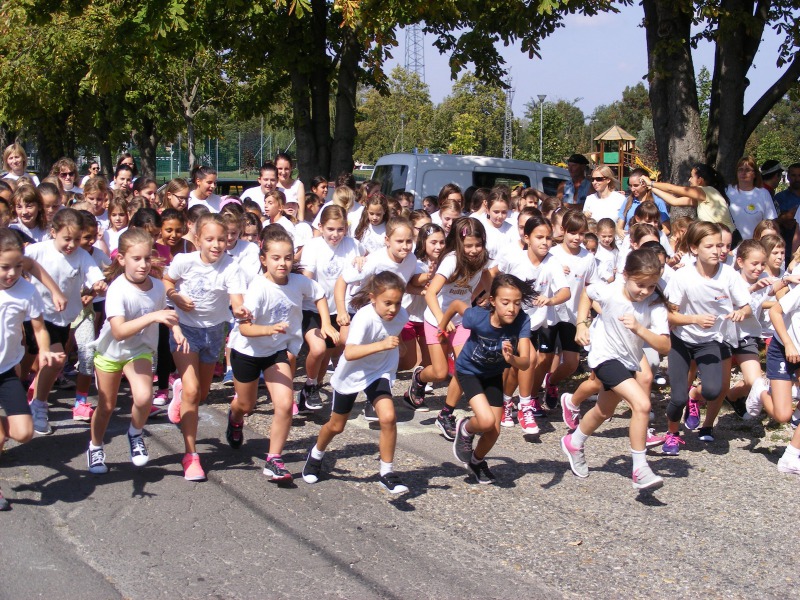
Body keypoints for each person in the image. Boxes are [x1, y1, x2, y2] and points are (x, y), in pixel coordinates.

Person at [227, 226, 336, 482]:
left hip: (276, 352)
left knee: (285, 404)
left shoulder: (299, 282)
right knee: (246, 404)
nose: (283, 263)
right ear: (264, 259)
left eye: (288, 257)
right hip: (247, 352)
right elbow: (245, 328)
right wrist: (269, 329)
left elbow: (319, 295)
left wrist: (327, 323)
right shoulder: (258, 289)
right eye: (276, 258)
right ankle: (235, 417)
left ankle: (274, 459)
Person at [563, 248, 671, 491]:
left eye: (651, 286)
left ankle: (574, 441)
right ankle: (640, 469)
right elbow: (587, 294)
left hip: (629, 360)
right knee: (641, 405)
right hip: (604, 356)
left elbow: (665, 345)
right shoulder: (610, 291)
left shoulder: (654, 305)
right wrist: (582, 324)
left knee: (603, 411)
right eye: (640, 284)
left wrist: (640, 330)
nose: (645, 291)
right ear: (625, 275)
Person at [87, 229, 185, 474]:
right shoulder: (117, 290)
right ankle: (95, 446)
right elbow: (119, 331)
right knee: (106, 406)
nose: (143, 265)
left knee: (144, 397)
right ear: (121, 259)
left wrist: (176, 330)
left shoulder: (157, 288)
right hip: (110, 352)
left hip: (139, 350)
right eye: (136, 259)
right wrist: (153, 316)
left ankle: (135, 433)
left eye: (147, 258)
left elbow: (165, 313)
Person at [302, 271, 410, 494]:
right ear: (372, 298)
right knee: (336, 426)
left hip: (379, 371)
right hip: (352, 373)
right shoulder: (363, 317)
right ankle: (316, 454)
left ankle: (386, 472)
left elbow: (395, 336)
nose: (393, 309)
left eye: (397, 303)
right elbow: (349, 353)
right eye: (387, 303)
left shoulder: (401, 316)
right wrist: (383, 345)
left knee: (388, 417)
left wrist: (400, 347)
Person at [163, 213, 249, 481]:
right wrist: (176, 296)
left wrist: (242, 311)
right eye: (210, 239)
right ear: (197, 239)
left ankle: (179, 391)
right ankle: (191, 455)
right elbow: (167, 281)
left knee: (200, 396)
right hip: (185, 331)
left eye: (222, 239)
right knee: (192, 391)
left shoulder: (232, 267)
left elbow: (237, 301)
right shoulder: (184, 261)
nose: (216, 245)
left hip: (214, 333)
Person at [662, 221, 751, 455]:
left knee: (713, 390)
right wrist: (694, 319)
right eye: (710, 246)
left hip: (710, 341)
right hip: (681, 341)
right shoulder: (683, 277)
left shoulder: (729, 275)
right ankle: (672, 434)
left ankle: (695, 399)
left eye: (720, 246)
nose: (717, 251)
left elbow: (746, 306)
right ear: (694, 248)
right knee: (677, 397)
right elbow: (669, 315)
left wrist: (741, 312)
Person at [23, 208, 107, 435]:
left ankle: (35, 403)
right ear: (53, 232)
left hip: (62, 318)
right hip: (35, 315)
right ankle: (36, 403)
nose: (71, 245)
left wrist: (99, 284)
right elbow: (18, 267)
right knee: (53, 359)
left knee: (51, 362)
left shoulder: (82, 256)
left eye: (77, 239)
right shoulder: (37, 251)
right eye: (66, 239)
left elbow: (95, 276)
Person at [407, 217, 492, 439]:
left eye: (478, 244)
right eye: (469, 245)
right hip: (436, 318)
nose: (474, 250)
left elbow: (485, 277)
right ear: (459, 242)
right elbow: (432, 293)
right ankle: (419, 378)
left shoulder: (482, 259)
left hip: (461, 320)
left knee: (465, 366)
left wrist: (484, 296)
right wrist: (441, 320)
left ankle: (446, 414)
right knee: (440, 372)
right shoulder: (451, 261)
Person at [445, 274, 533, 483]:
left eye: (517, 303)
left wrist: (512, 359)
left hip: (493, 374)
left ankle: (476, 461)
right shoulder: (478, 317)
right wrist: (442, 324)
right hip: (469, 371)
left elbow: (526, 363)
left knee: (494, 431)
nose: (512, 308)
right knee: (484, 421)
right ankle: (465, 427)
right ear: (493, 301)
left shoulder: (522, 320)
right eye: (505, 302)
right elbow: (457, 304)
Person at [0, 229, 63, 509]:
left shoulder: (26, 291)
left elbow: (39, 328)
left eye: (17, 266)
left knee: (24, 433)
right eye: (4, 267)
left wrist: (46, 349)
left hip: (6, 370)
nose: (12, 273)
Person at [492, 215, 570, 432]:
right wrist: (489, 300)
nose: (545, 242)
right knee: (524, 362)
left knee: (520, 366)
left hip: (533, 323)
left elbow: (565, 291)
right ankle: (520, 406)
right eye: (539, 237)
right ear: (526, 238)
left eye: (548, 238)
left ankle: (512, 403)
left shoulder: (552, 262)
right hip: (510, 320)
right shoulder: (512, 257)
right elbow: (493, 275)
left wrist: (551, 299)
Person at [298, 205, 364, 412]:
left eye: (340, 229)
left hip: (341, 308)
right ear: (321, 226)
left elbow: (367, 262)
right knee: (318, 349)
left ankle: (317, 385)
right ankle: (309, 385)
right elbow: (307, 279)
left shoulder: (354, 244)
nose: (335, 234)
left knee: (336, 346)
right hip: (314, 307)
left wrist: (364, 259)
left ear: (346, 228)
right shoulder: (313, 246)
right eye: (330, 229)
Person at [643, 165, 737, 241]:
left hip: (728, 238)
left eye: (691, 176)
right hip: (720, 237)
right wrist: (651, 188)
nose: (689, 180)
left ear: (700, 180)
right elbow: (674, 201)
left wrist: (651, 183)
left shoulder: (707, 190)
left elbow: (672, 189)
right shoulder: (703, 196)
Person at [724, 157, 777, 241]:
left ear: (755, 174)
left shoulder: (763, 193)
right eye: (740, 170)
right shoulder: (727, 191)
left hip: (755, 246)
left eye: (747, 170)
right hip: (730, 247)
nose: (743, 173)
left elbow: (770, 223)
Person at [617, 168, 671, 238]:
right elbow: (619, 226)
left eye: (636, 185)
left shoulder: (657, 202)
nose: (632, 189)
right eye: (630, 185)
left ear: (645, 184)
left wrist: (651, 237)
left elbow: (667, 229)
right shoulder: (628, 200)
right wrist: (621, 232)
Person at [275, 153, 306, 221]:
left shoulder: (298, 185)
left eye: (286, 169)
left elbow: (301, 215)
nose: (283, 172)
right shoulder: (273, 185)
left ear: (291, 168)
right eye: (280, 168)